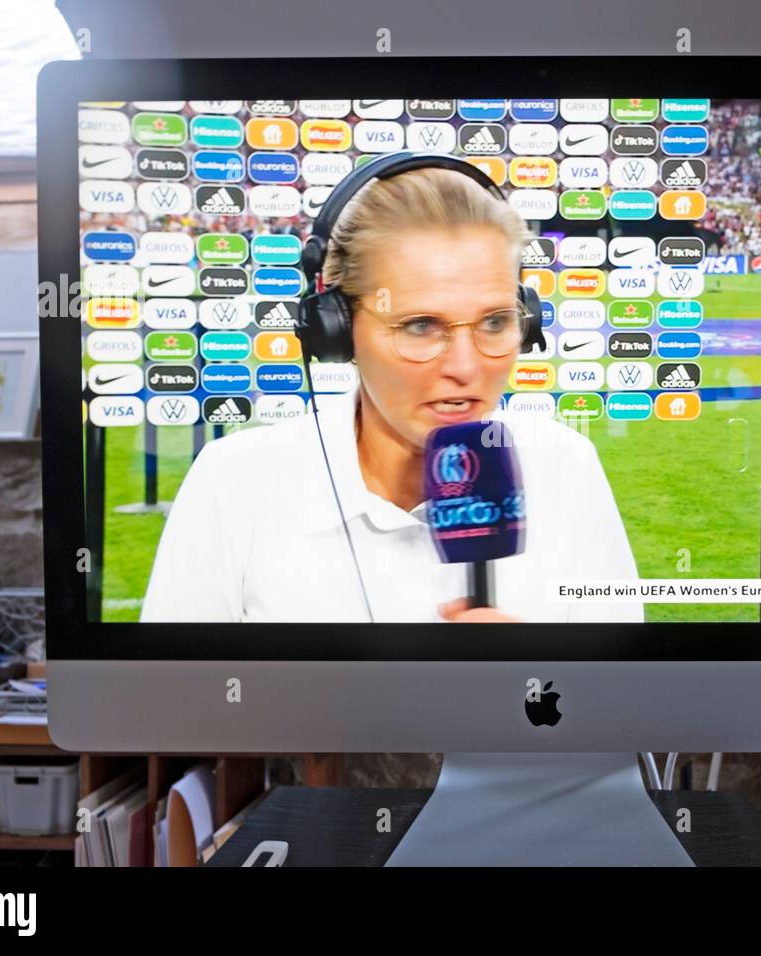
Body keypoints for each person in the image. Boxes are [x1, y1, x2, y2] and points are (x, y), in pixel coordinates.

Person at [140, 167, 643, 624]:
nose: (466, 368)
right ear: (336, 329)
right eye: (420, 325)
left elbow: (629, 715)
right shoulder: (234, 482)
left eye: (495, 321)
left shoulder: (566, 466)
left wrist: (537, 689)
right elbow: (164, 717)